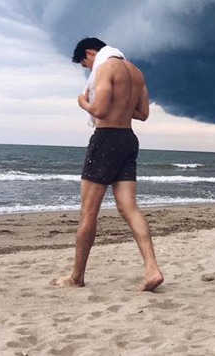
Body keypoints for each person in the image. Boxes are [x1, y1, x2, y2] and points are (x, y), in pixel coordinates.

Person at [50, 37, 164, 291]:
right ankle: (152, 269)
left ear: (91, 53)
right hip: (128, 139)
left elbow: (99, 110)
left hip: (106, 139)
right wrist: (120, 103)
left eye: (85, 64)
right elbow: (143, 113)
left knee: (89, 212)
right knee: (130, 208)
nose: (90, 70)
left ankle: (77, 277)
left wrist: (84, 103)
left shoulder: (105, 68)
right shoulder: (136, 72)